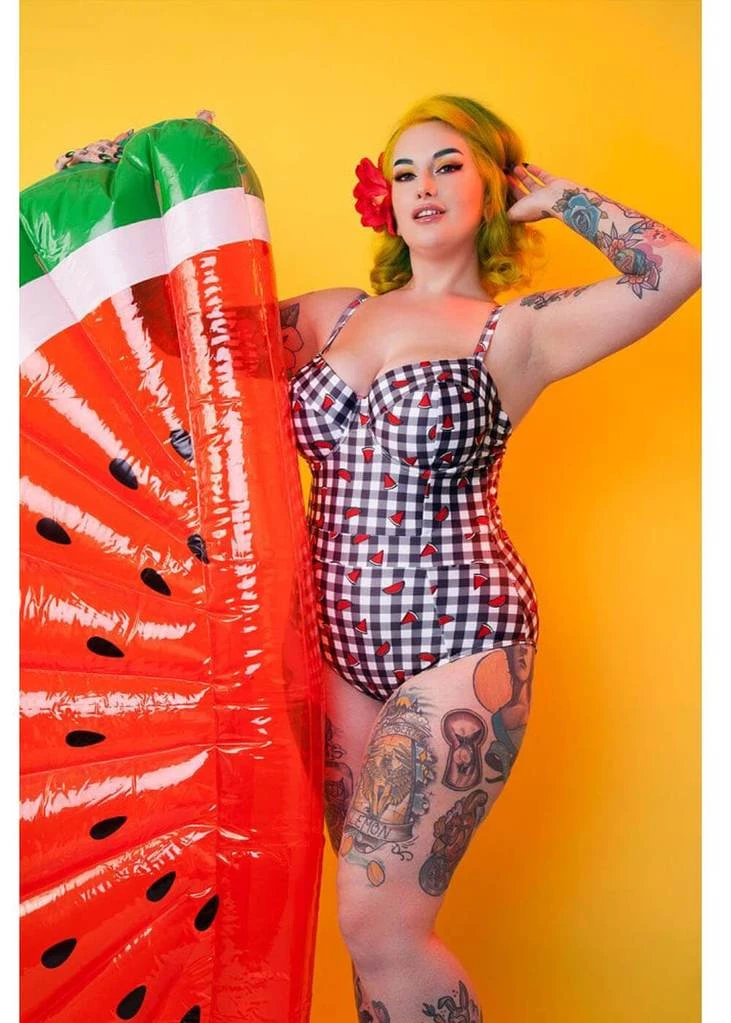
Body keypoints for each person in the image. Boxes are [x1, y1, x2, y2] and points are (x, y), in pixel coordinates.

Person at [281, 93, 701, 1023]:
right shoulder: (332, 314)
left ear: (492, 185)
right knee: (366, 927)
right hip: (337, 650)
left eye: (448, 165)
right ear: (383, 198)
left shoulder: (514, 331)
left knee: (380, 923)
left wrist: (561, 199)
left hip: (461, 644)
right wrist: (132, 182)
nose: (422, 185)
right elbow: (182, 332)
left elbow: (675, 268)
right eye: (403, 171)